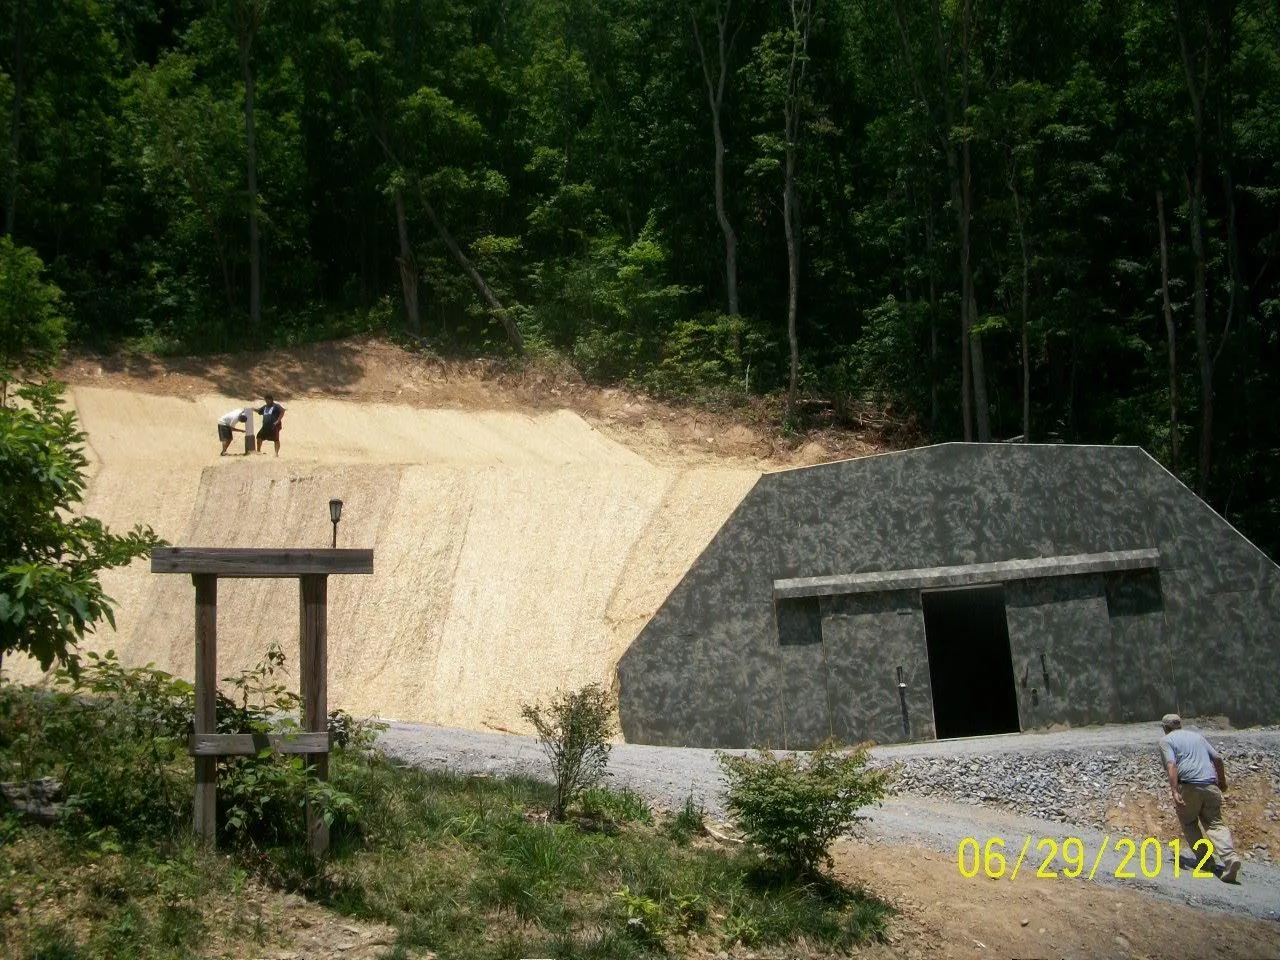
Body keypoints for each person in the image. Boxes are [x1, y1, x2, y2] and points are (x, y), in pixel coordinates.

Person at [1159, 713, 1242, 883]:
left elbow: (1171, 765)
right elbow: (1217, 759)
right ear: (1180, 725)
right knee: (1216, 823)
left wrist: (1174, 791)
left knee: (1189, 822)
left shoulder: (1166, 741)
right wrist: (1222, 782)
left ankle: (1206, 861)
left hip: (1189, 786)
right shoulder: (1197, 737)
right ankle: (1230, 858)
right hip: (1210, 785)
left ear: (1165, 728)